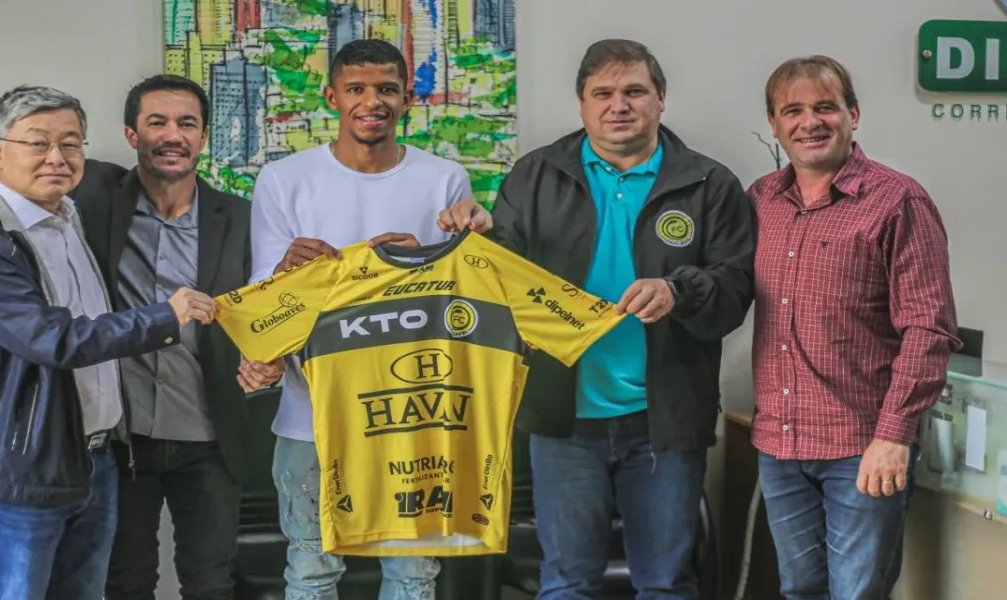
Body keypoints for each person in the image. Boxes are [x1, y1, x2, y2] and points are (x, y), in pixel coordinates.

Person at [0, 75, 285, 600]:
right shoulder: (81, 199)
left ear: (204, 136)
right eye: (156, 122)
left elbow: (258, 311)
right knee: (119, 583)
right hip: (85, 448)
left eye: (186, 123)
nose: (56, 157)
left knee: (204, 581)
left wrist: (267, 360)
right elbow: (50, 332)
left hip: (179, 437)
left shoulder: (230, 216)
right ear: (131, 134)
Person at [439, 39, 755, 599]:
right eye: (602, 93)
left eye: (634, 91)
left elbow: (735, 289)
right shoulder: (536, 175)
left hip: (664, 421)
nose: (619, 105)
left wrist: (678, 291)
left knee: (666, 585)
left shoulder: (710, 184)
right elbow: (498, 283)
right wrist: (480, 237)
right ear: (582, 103)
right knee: (566, 581)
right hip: (563, 418)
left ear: (661, 97)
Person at [250, 38, 474, 599]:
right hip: (310, 415)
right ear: (332, 97)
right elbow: (263, 306)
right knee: (310, 570)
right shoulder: (282, 179)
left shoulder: (445, 179)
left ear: (408, 98)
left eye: (386, 89)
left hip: (415, 414)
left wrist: (424, 260)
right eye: (356, 89)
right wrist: (285, 271)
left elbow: (463, 300)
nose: (371, 102)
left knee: (414, 574)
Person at [746, 55, 960, 599]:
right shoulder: (761, 200)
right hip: (780, 442)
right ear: (773, 123)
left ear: (853, 114)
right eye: (792, 110)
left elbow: (930, 329)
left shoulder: (898, 201)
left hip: (861, 446)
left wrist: (893, 436)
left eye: (825, 107)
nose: (809, 123)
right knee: (799, 589)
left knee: (857, 594)